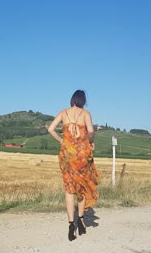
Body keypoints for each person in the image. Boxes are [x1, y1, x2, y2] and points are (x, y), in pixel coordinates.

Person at [47, 90, 99, 241]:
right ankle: (81, 220)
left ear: (72, 99)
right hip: (82, 155)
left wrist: (62, 140)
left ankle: (71, 225)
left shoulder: (63, 113)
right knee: (81, 187)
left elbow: (50, 129)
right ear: (83, 100)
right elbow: (91, 132)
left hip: (67, 156)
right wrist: (90, 141)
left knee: (69, 189)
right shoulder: (85, 113)